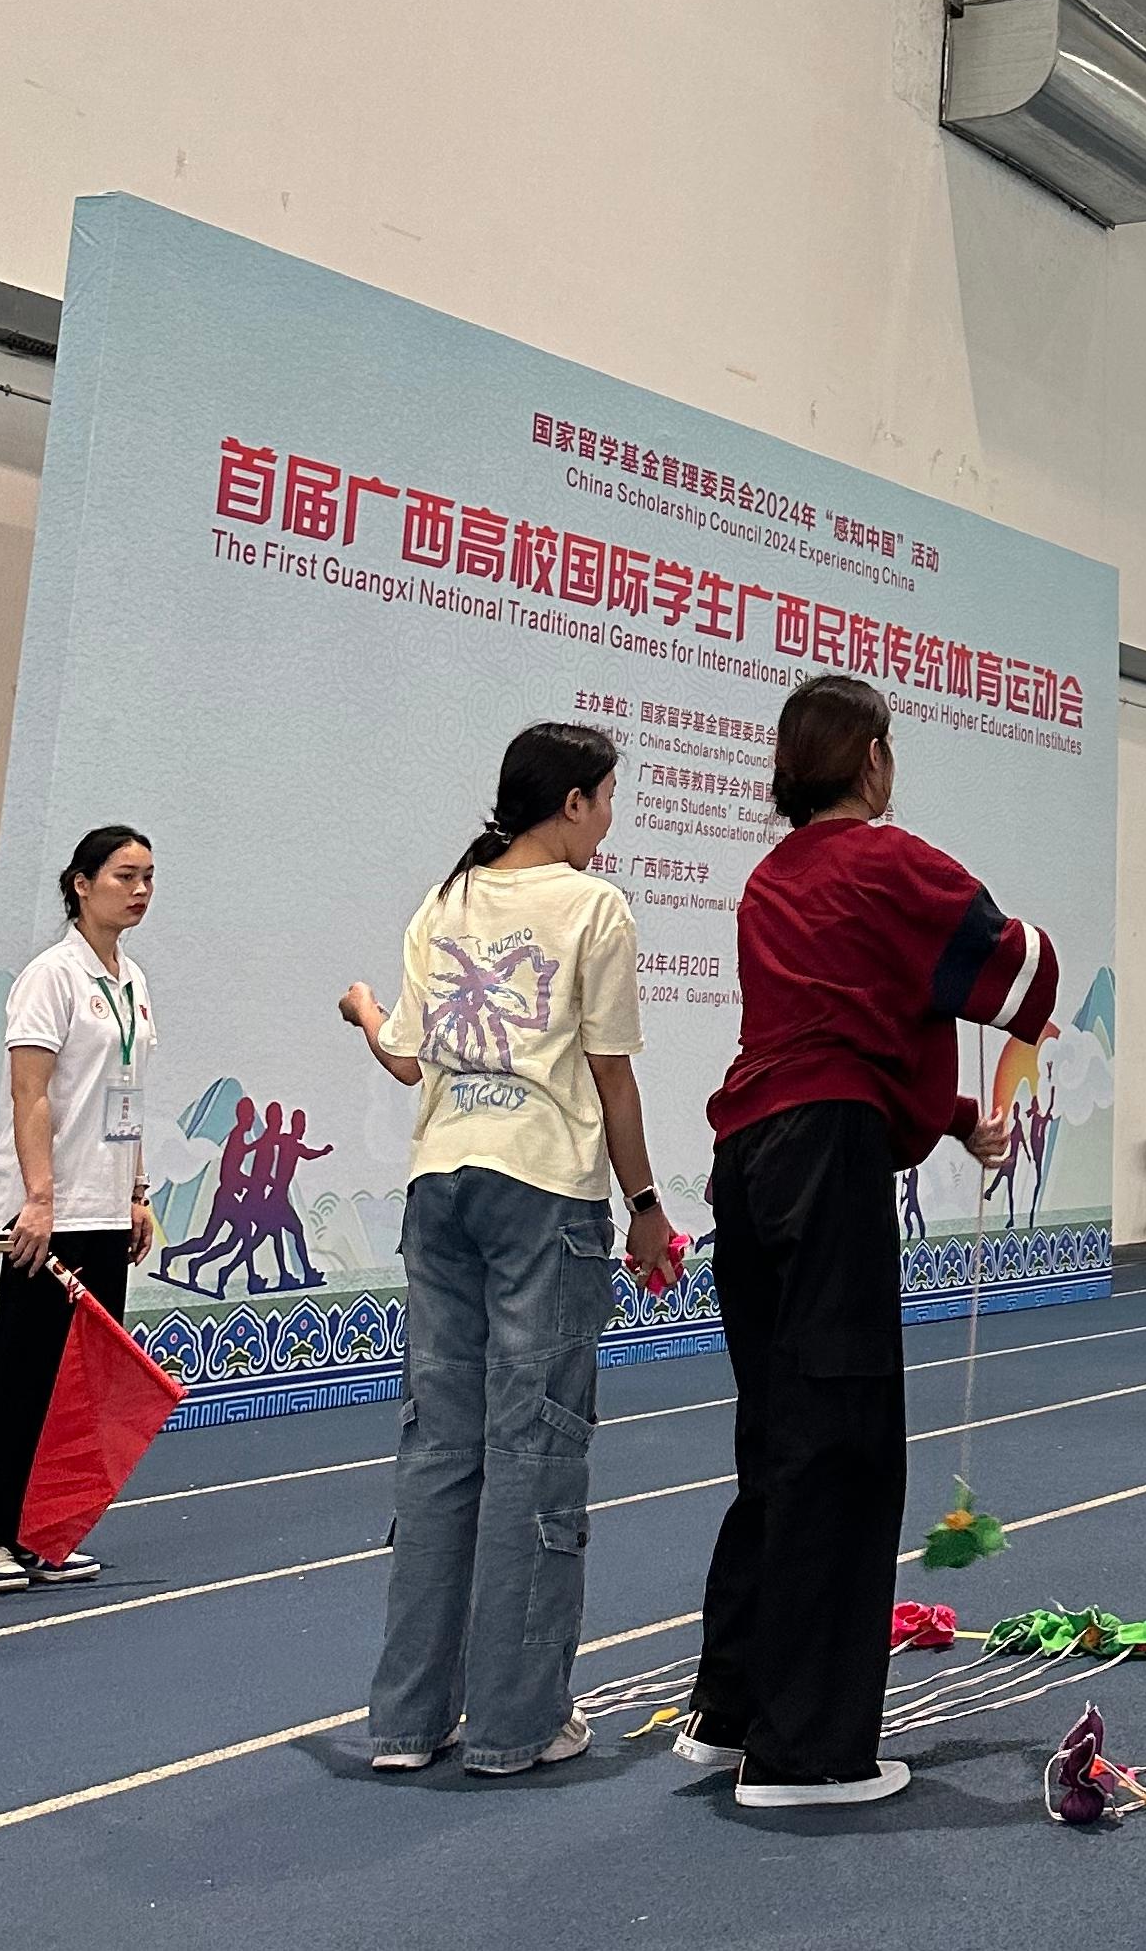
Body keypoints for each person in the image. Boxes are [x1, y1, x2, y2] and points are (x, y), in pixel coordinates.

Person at [677, 674, 1054, 1810]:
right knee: (840, 1441)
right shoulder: (888, 864)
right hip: (824, 1163)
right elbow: (1022, 971)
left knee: (776, 1435)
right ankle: (807, 1752)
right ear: (873, 759)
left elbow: (833, 1030)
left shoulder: (767, 881)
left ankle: (732, 1708)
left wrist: (950, 1115)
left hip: (748, 1157)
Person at [340, 722, 672, 1779]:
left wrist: (364, 1013)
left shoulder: (444, 901)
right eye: (606, 800)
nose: (609, 821)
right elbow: (611, 1075)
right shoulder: (593, 906)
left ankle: (407, 1722)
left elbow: (406, 1060)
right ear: (571, 802)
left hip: (442, 1185)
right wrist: (646, 1205)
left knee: (441, 1449)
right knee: (535, 1448)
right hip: (542, 1190)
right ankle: (515, 1726)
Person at [0, 826, 162, 1596]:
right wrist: (39, 1200)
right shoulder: (51, 976)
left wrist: (135, 1194)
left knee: (78, 1394)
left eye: (148, 878)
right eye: (124, 876)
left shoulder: (133, 981)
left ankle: (44, 1535)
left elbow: (125, 1096)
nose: (139, 891)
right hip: (38, 1218)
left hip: (103, 1215)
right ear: (81, 884)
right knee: (18, 1384)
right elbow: (30, 1094)